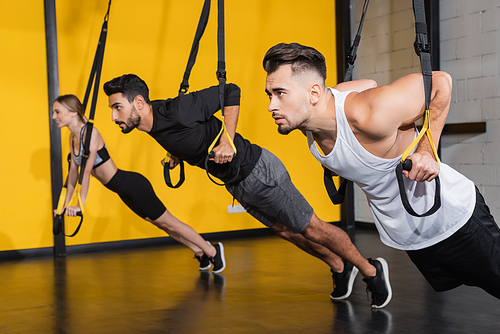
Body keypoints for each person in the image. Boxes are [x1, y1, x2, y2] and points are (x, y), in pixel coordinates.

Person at [102, 75, 392, 309]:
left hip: (258, 171)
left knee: (312, 228)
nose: (114, 116)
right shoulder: (155, 125)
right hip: (238, 184)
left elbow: (230, 90)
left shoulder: (177, 109)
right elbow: (184, 134)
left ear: (138, 103)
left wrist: (228, 140)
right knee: (287, 232)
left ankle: (371, 271)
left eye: (117, 107)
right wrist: (175, 153)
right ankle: (338, 265)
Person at [262, 42, 500, 299]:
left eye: (280, 93)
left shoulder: (368, 115)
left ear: (314, 93)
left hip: (451, 219)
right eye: (269, 94)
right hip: (412, 236)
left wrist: (427, 149)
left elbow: (441, 82)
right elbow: (368, 83)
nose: (271, 106)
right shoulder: (312, 120)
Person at [52, 94, 226, 273]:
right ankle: (199, 251)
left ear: (72, 113)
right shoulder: (73, 138)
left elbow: (86, 172)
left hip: (133, 186)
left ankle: (212, 250)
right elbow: (73, 173)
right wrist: (63, 206)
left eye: (57, 112)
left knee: (171, 223)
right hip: (123, 191)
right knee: (163, 225)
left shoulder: (90, 133)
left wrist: (80, 204)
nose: (54, 116)